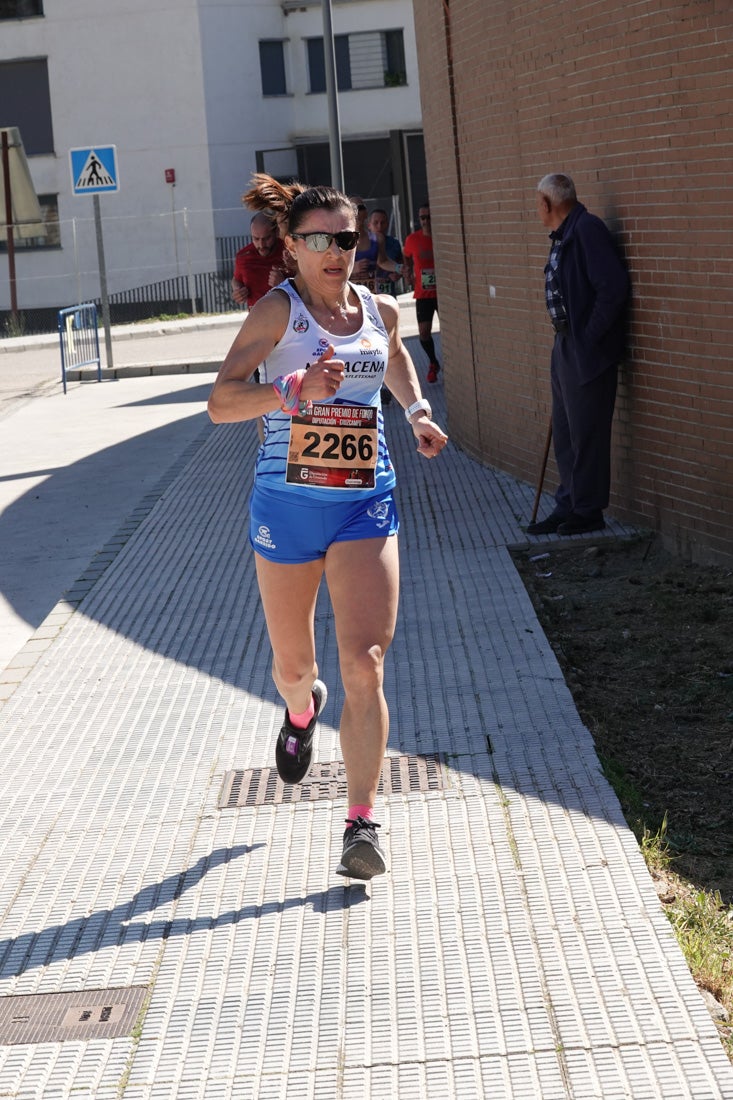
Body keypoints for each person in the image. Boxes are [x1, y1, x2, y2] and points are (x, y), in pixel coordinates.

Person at [207, 176, 448, 880]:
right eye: (319, 240)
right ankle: (300, 711)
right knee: (295, 669)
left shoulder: (376, 307)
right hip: (285, 509)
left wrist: (416, 412)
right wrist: (288, 390)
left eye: (345, 238)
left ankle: (361, 820)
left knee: (364, 662)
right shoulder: (274, 315)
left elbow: (395, 359)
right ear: (291, 247)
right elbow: (220, 403)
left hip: (363, 504)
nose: (336, 251)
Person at [527, 173, 630, 537]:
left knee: (587, 431)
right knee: (567, 432)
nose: (535, 209)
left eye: (537, 202)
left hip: (586, 349)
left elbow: (613, 289)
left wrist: (588, 338)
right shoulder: (564, 235)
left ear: (547, 204)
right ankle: (568, 504)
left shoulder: (587, 230)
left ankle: (588, 510)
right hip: (565, 345)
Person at [402, 202, 441, 383]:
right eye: (422, 218)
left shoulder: (441, 237)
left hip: (442, 294)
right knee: (424, 333)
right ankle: (433, 362)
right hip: (423, 295)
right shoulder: (412, 240)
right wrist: (408, 273)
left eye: (428, 217)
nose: (425, 221)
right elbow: (406, 256)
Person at [231, 213, 286, 308]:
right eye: (256, 239)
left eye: (267, 238)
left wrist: (284, 284)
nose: (261, 245)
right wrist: (238, 290)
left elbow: (307, 288)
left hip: (285, 316)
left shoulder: (288, 251)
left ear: (276, 232)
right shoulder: (243, 256)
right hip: (256, 318)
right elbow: (236, 279)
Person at [368, 208, 404, 295]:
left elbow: (401, 265)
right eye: (376, 223)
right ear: (369, 225)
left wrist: (398, 274)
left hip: (388, 294)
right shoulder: (362, 244)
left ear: (387, 224)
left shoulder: (394, 243)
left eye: (382, 223)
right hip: (368, 295)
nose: (379, 226)